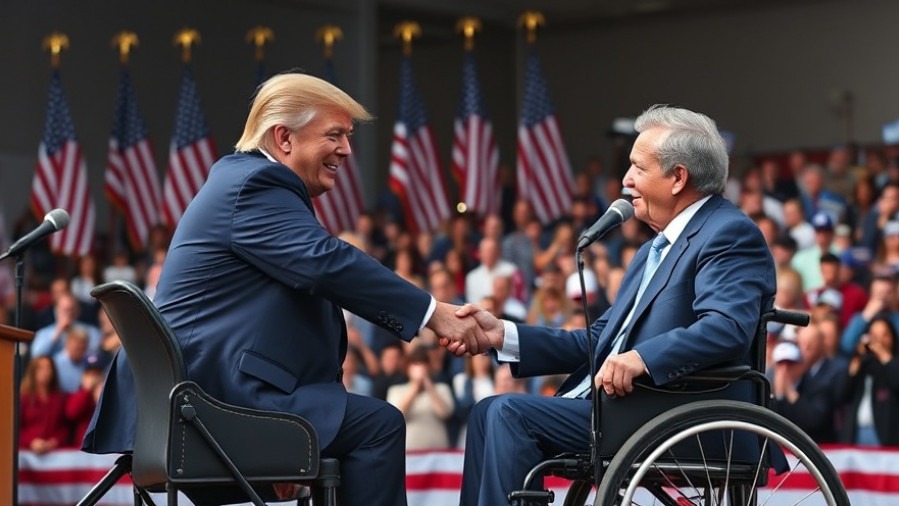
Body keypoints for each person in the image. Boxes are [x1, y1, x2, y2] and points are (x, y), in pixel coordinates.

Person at [83, 71, 486, 506]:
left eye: (348, 136)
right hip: (211, 403)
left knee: (356, 424)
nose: (347, 150)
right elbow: (327, 263)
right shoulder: (257, 185)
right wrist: (433, 314)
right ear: (284, 139)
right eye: (335, 135)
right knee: (378, 425)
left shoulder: (242, 181)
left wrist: (297, 447)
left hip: (196, 398)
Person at [447, 105, 777, 505]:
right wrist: (504, 334)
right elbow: (601, 340)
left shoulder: (728, 232)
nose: (625, 180)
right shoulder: (651, 251)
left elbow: (727, 327)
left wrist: (642, 357)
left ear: (677, 178)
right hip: (625, 408)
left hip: (682, 412)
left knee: (507, 414)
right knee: (487, 412)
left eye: (638, 167)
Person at [837, 314, 899, 446]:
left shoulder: (893, 364)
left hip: (886, 435)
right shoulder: (863, 365)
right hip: (856, 432)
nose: (879, 341)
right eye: (874, 336)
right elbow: (841, 396)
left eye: (884, 335)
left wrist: (884, 356)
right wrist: (857, 360)